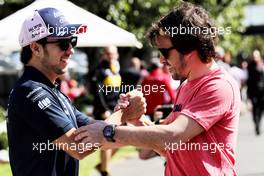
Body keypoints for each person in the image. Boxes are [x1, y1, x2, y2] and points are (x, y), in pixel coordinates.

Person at [74, 2, 241, 176]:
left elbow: (172, 136)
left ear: (189, 48)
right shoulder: (187, 85)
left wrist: (107, 131)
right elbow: (165, 147)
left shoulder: (218, 86)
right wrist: (137, 119)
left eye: (164, 52)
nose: (161, 60)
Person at [6, 8, 146, 176]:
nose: (71, 50)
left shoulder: (52, 90)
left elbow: (97, 133)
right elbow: (78, 146)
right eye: (63, 43)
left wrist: (127, 115)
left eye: (72, 41)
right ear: (36, 48)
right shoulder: (30, 90)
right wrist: (123, 114)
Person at [90, 46, 122, 176]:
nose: (111, 56)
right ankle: (105, 171)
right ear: (104, 55)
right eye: (108, 54)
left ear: (117, 55)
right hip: (104, 110)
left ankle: (102, 165)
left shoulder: (116, 69)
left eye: (113, 53)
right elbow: (98, 93)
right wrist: (104, 109)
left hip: (116, 109)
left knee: (120, 141)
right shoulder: (100, 70)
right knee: (107, 140)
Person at [247, 49, 264, 135]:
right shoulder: (250, 66)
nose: (254, 57)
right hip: (253, 91)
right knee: (254, 109)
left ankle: (258, 123)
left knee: (260, 109)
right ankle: (256, 123)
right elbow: (248, 79)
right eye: (253, 56)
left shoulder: (262, 65)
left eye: (256, 56)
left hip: (262, 92)